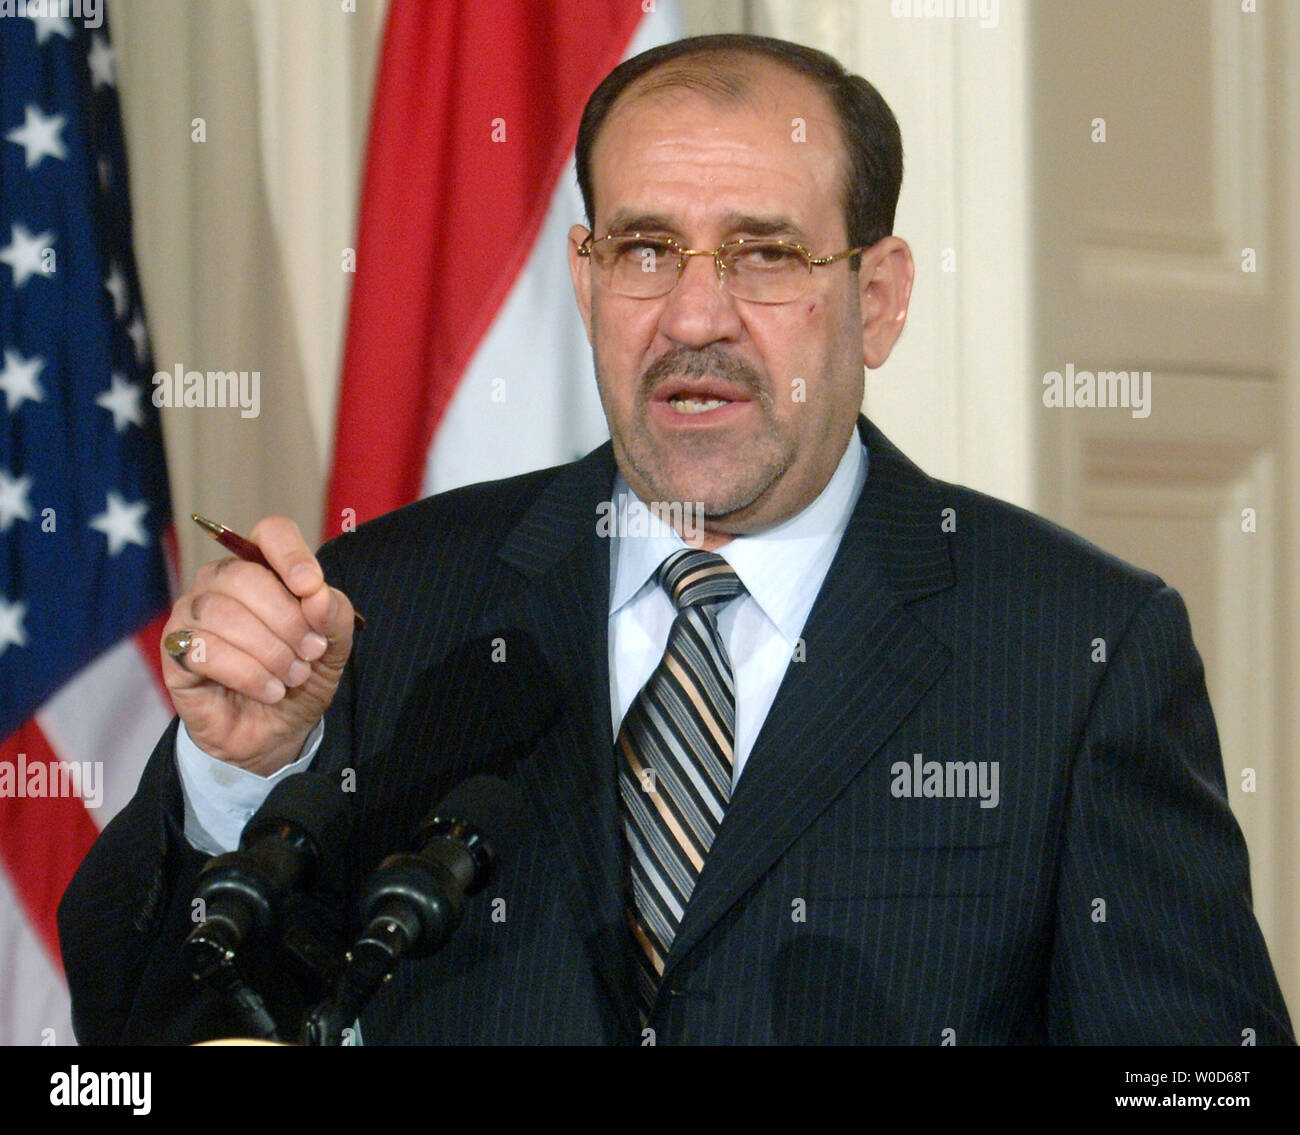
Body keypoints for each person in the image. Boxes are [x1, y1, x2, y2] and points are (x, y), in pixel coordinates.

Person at [60, 33, 1292, 1045]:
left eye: (765, 256)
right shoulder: (387, 608)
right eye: (645, 250)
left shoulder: (1072, 649)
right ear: (587, 281)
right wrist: (239, 780)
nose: (695, 317)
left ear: (877, 299)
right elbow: (134, 1039)